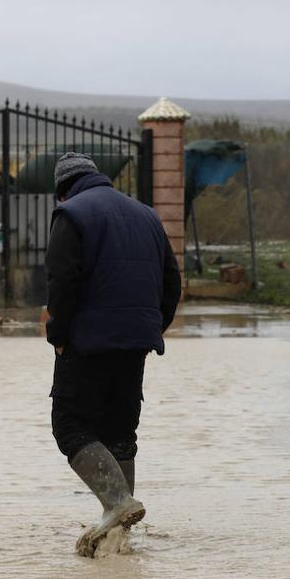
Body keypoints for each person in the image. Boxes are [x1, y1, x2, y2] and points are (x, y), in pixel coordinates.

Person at [44, 151, 182, 557]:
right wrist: (151, 327)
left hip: (87, 341)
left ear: (64, 190)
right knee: (121, 432)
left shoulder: (71, 214)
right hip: (136, 342)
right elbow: (171, 283)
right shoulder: (147, 216)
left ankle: (117, 504)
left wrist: (59, 336)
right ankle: (120, 537)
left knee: (70, 426)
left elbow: (61, 283)